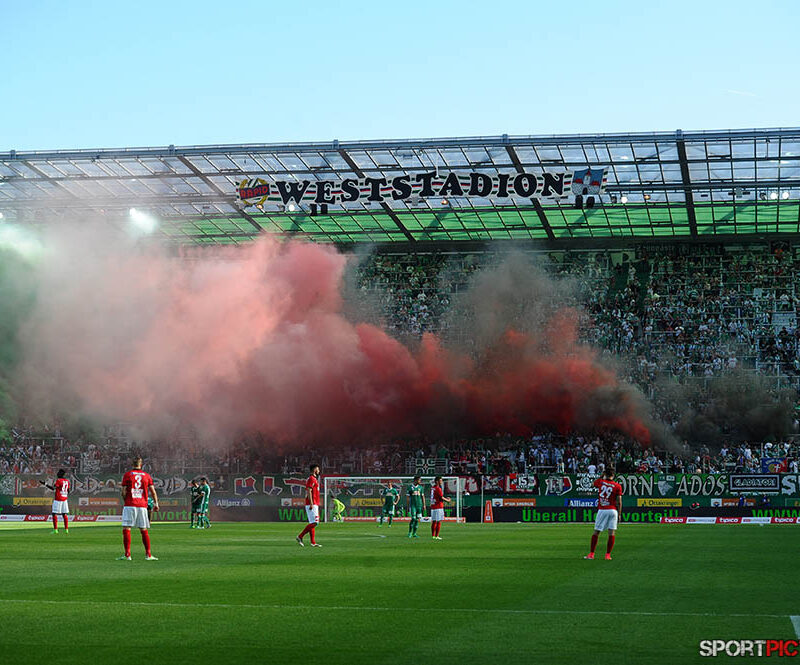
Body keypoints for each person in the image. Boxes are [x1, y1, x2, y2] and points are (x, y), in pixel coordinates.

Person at [118, 456, 159, 561]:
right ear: (141, 464)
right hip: (142, 506)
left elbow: (123, 491)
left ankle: (127, 555)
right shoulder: (147, 476)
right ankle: (148, 555)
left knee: (127, 529)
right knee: (143, 530)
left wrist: (126, 501)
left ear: (132, 464)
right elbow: (153, 492)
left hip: (130, 504)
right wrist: (156, 503)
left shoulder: (127, 475)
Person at [585, 466, 622, 560]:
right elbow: (619, 502)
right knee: (611, 533)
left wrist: (602, 476)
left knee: (596, 532)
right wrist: (620, 514)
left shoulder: (601, 482)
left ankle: (591, 554)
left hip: (603, 509)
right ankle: (608, 555)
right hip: (613, 510)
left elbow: (592, 485)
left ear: (605, 474)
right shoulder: (617, 486)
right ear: (613, 475)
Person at [296, 463, 321, 547]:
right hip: (312, 503)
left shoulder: (313, 478)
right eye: (318, 469)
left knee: (312, 522)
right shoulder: (311, 479)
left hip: (314, 502)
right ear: (314, 470)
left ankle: (313, 542)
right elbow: (308, 491)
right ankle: (300, 536)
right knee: (315, 522)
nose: (319, 470)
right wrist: (311, 503)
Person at [41, 469, 70, 534]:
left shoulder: (59, 481)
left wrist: (45, 484)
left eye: (58, 473)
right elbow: (68, 491)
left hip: (58, 499)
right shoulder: (67, 481)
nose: (57, 474)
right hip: (65, 499)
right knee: (64, 514)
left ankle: (55, 530)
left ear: (60, 474)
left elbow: (53, 488)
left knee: (54, 514)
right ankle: (66, 530)